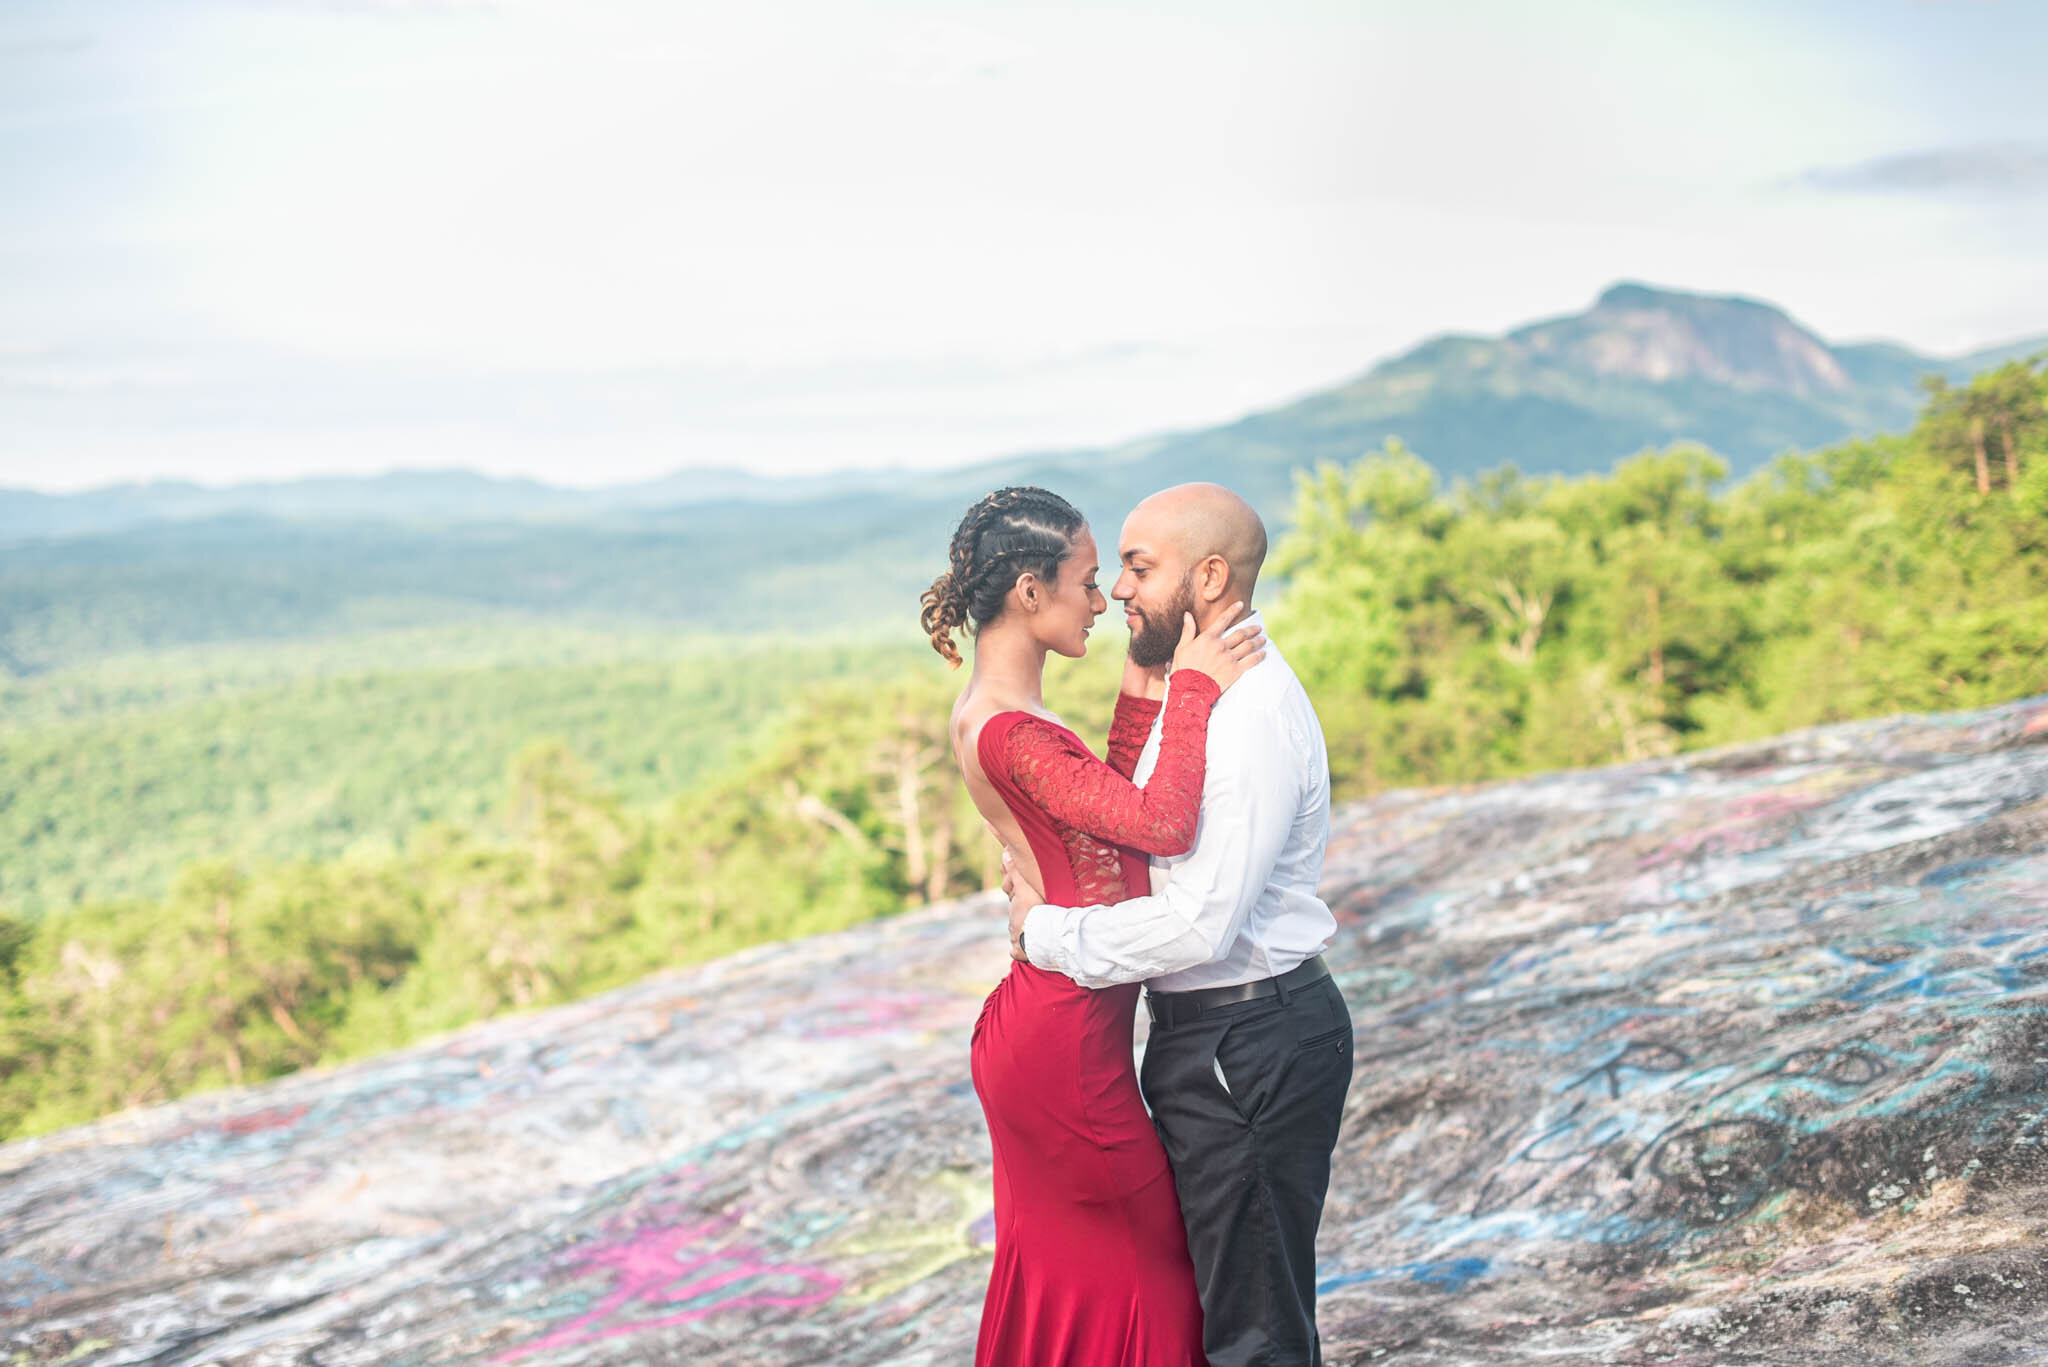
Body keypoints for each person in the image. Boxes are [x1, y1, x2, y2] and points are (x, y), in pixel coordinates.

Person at [1002, 482, 1352, 1367]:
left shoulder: (1247, 719)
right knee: (1235, 1304)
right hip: (1221, 1034)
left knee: (1254, 1331)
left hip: (1247, 1035)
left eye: (1137, 567)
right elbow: (1142, 814)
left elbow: (1199, 925)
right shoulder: (1200, 694)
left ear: (1208, 576)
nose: (1117, 589)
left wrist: (1047, 937)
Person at [921, 485, 1266, 1367]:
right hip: (1064, 1049)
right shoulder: (1013, 732)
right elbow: (1159, 826)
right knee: (1154, 1278)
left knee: (1093, 1273)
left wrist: (1144, 688)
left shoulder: (1004, 714)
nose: (1105, 595)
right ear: (1030, 593)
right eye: (1085, 578)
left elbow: (1102, 818)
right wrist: (1194, 687)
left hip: (1052, 1026)